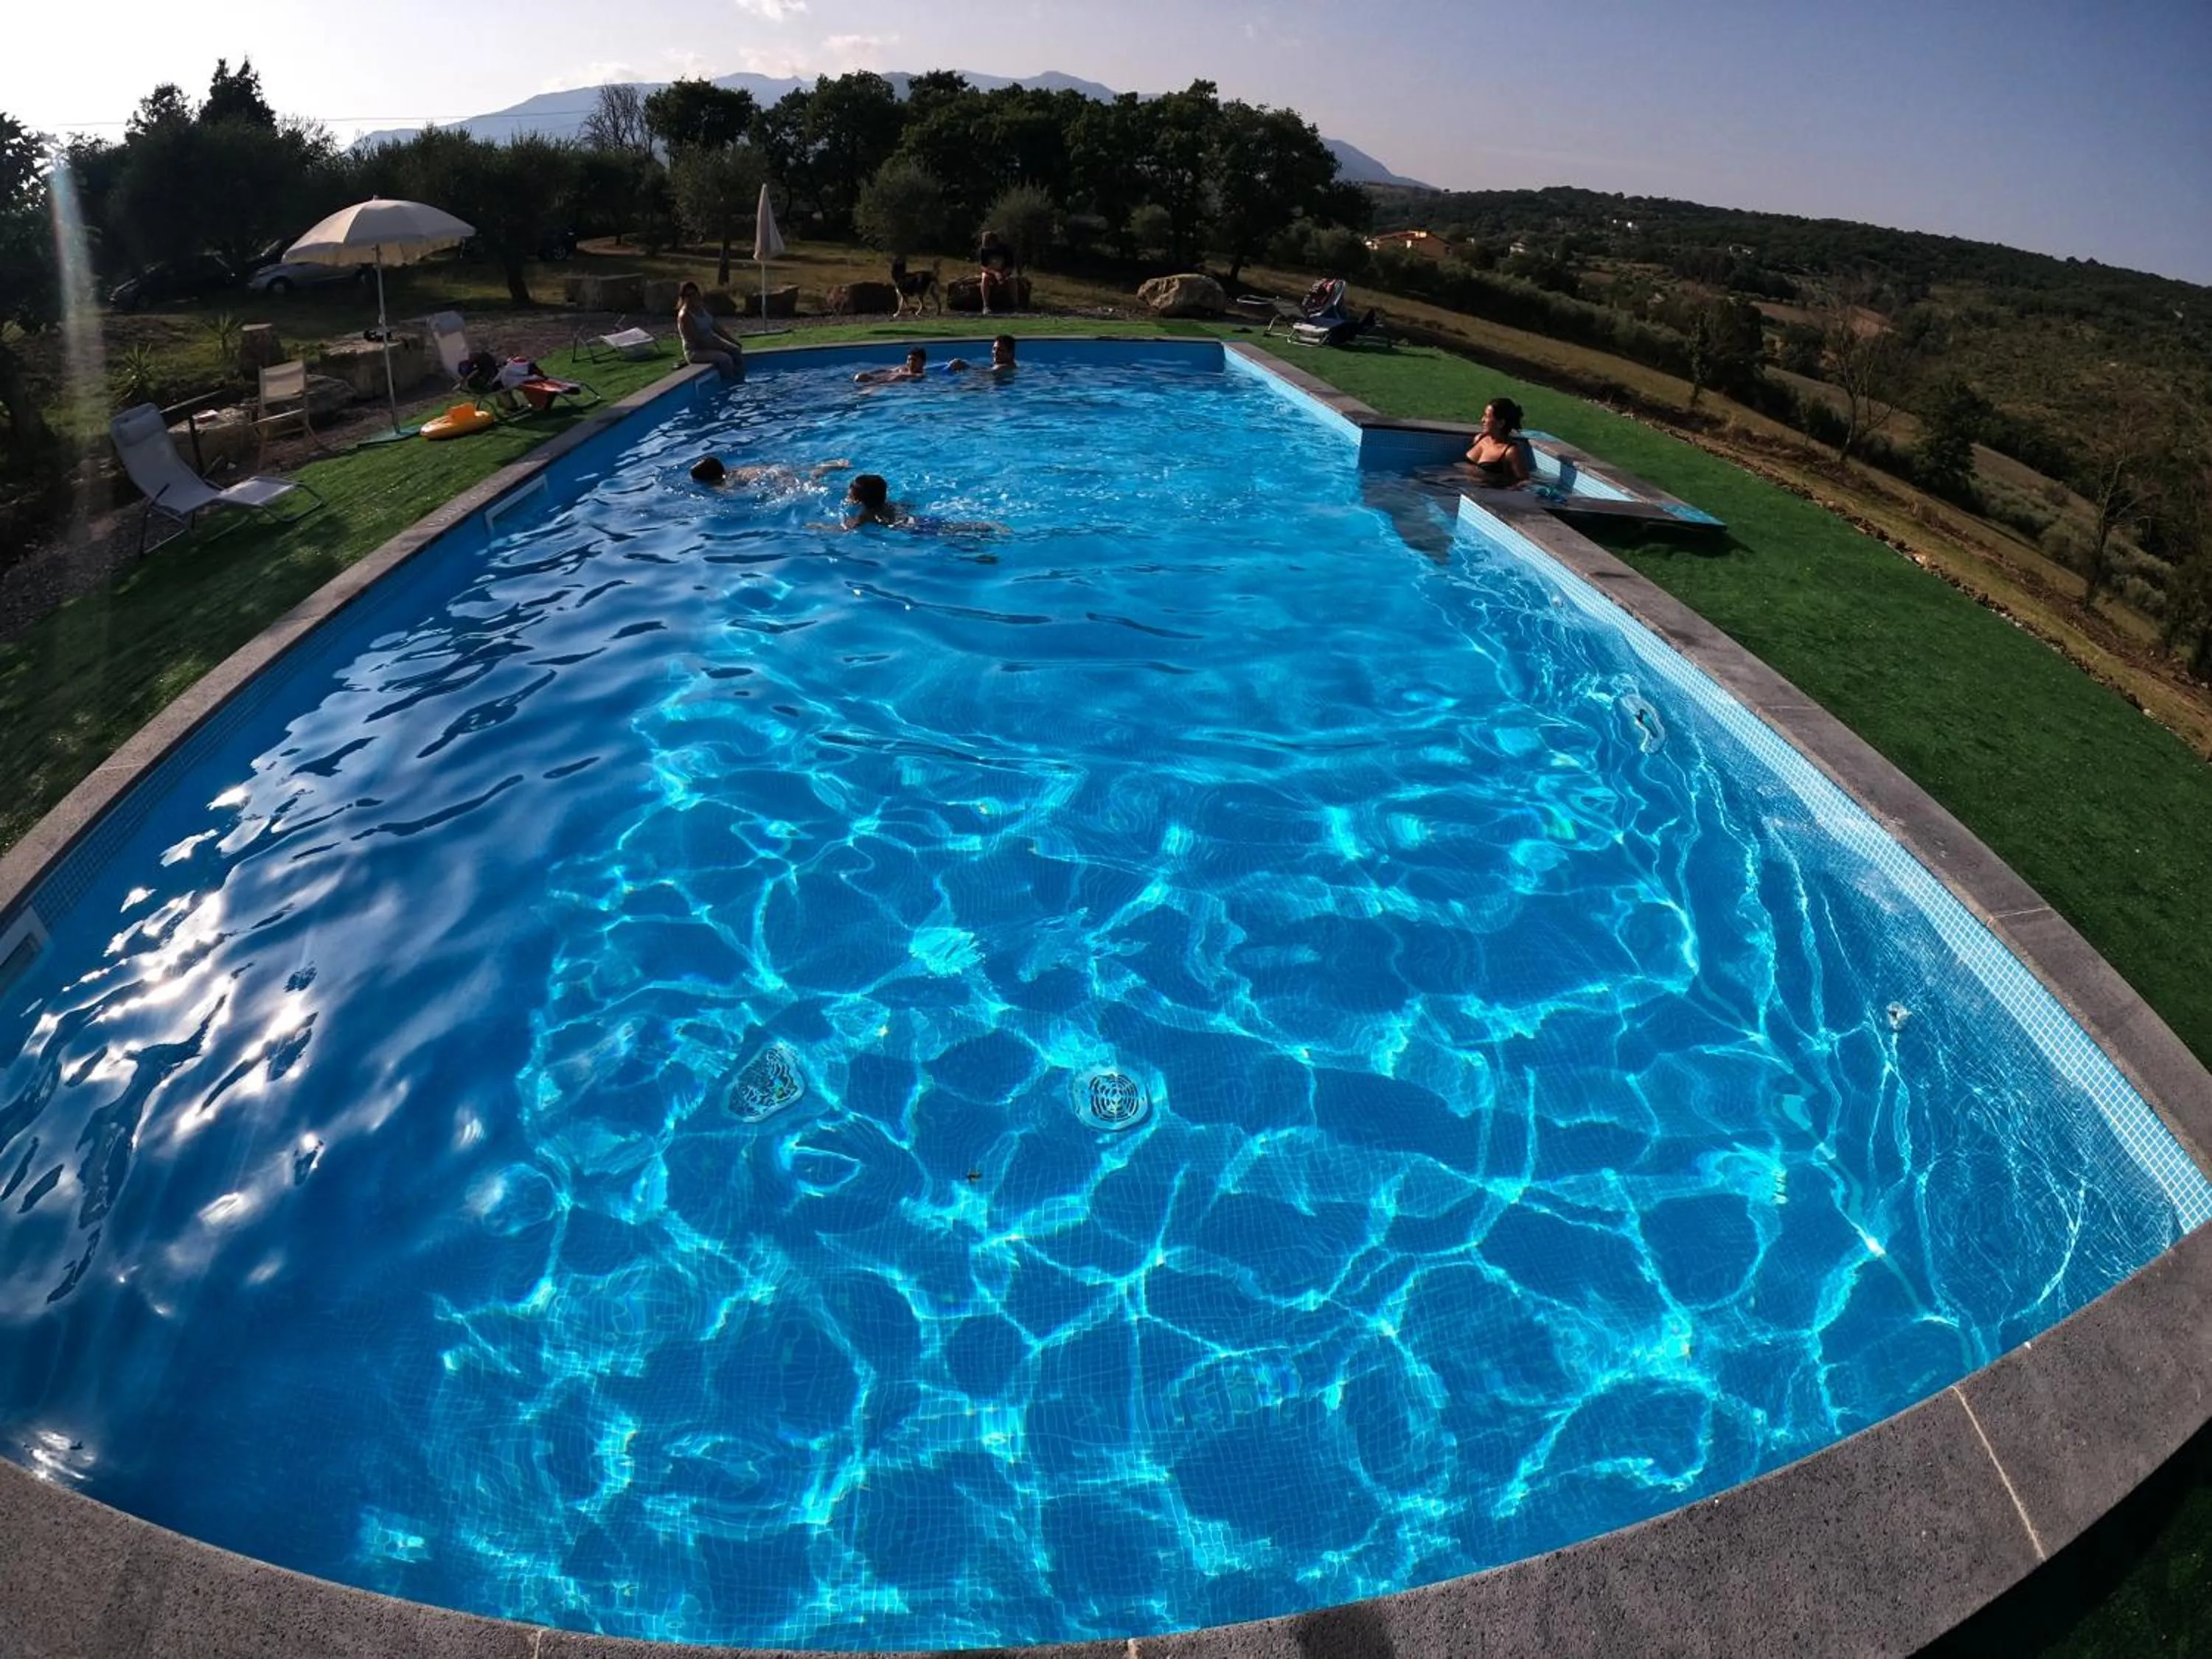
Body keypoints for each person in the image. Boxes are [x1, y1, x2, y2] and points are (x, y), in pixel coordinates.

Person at [838, 473, 1000, 535]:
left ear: (858, 500)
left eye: (850, 495)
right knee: (953, 528)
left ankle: (986, 535)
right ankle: (986, 527)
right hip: (918, 520)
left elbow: (846, 528)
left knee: (952, 536)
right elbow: (908, 506)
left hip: (911, 529)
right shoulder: (888, 504)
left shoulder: (865, 515)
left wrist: (824, 528)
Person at [677, 280, 745, 380]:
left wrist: (732, 341)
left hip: (711, 343)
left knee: (736, 350)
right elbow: (697, 341)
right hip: (696, 352)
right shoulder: (685, 316)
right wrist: (720, 346)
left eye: (694, 294)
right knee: (725, 359)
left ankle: (740, 379)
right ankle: (728, 382)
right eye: (688, 295)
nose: (692, 297)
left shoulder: (702, 308)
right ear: (683, 298)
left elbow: (717, 328)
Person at [1464, 397, 1535, 487]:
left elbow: (1525, 482)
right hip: (1463, 486)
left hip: (1488, 492)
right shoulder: (1479, 438)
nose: (1482, 420)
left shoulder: (1511, 451)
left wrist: (1509, 487)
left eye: (1487, 416)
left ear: (1501, 423)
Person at [692, 456, 851, 487]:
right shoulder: (735, 470)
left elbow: (728, 493)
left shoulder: (722, 483)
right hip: (772, 469)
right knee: (806, 477)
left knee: (810, 486)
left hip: (771, 477)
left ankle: (821, 471)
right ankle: (825, 467)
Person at [976, 229, 1018, 316]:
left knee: (1012, 279)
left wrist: (1003, 274)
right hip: (991, 272)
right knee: (985, 279)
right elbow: (983, 267)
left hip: (1004, 272)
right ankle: (986, 305)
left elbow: (1010, 266)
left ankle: (1015, 305)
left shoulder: (1006, 249)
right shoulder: (983, 250)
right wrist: (995, 273)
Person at [946, 335, 1018, 376]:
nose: (995, 353)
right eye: (994, 349)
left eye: (1000, 350)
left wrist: (965, 366)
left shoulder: (1005, 367)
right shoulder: (1007, 366)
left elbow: (989, 373)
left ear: (1010, 353)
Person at [855, 347, 928, 385]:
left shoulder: (920, 375)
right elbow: (887, 371)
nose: (910, 363)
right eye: (909, 360)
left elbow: (900, 377)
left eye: (914, 360)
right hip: (879, 380)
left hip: (884, 386)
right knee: (860, 376)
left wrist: (879, 383)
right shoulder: (902, 368)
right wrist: (871, 374)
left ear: (923, 362)